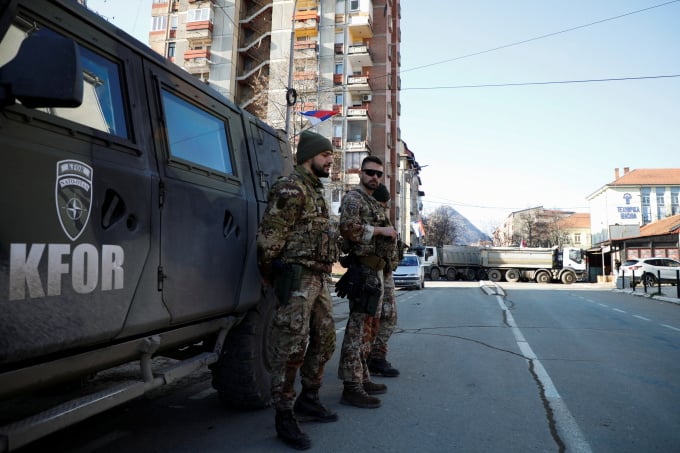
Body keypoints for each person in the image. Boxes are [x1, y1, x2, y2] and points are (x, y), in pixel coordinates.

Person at [256, 130, 338, 450]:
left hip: (319, 278)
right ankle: (284, 413)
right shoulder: (290, 188)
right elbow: (269, 239)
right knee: (291, 346)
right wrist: (272, 274)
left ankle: (310, 397)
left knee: (326, 338)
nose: (331, 159)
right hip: (297, 277)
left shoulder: (316, 190)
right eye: (326, 154)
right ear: (308, 156)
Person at [336, 156, 397, 408]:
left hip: (377, 273)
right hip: (363, 272)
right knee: (357, 330)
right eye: (370, 172)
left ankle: (363, 378)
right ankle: (351, 386)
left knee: (370, 329)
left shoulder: (372, 202)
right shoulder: (353, 199)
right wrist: (381, 231)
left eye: (378, 174)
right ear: (361, 173)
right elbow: (348, 228)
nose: (375, 177)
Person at [368, 183, 402, 378]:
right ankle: (369, 358)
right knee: (372, 318)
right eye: (383, 203)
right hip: (374, 271)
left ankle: (377, 356)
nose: (385, 207)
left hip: (386, 272)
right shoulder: (371, 217)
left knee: (389, 316)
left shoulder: (384, 218)